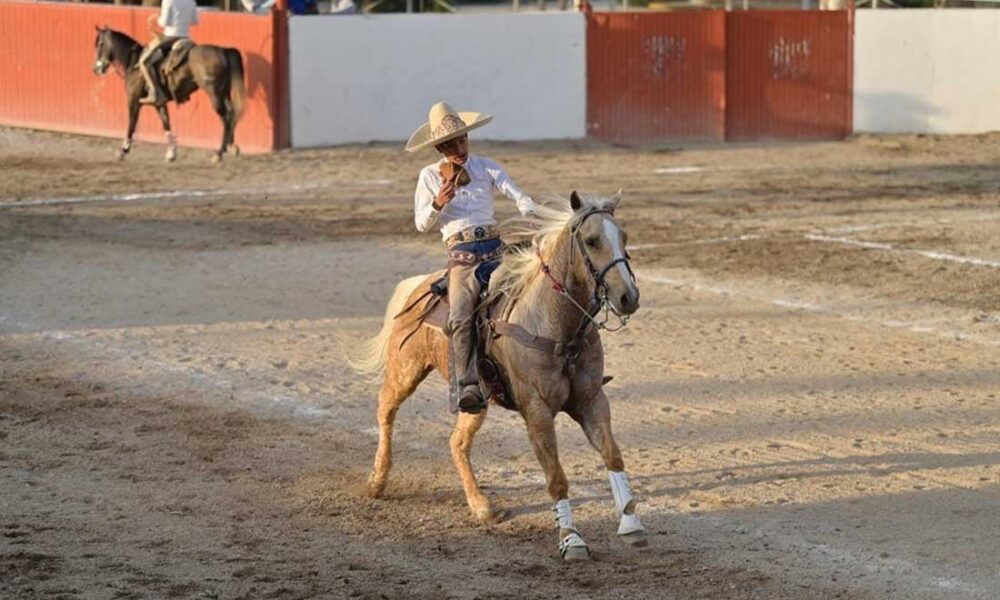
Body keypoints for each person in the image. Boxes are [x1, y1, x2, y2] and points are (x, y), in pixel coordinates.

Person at [407, 102, 538, 414]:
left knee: (541, 288)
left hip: (495, 248)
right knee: (461, 316)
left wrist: (529, 209)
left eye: (462, 140)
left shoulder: (487, 167)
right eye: (450, 144)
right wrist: (438, 203)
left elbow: (517, 194)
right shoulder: (428, 177)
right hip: (463, 257)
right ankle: (467, 385)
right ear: (439, 147)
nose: (459, 148)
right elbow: (421, 224)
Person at [139, 0, 199, 105]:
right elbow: (195, 21)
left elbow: (164, 22)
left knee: (144, 62)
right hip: (186, 38)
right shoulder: (191, 1)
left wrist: (157, 19)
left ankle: (155, 93)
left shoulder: (168, 1)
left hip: (170, 37)